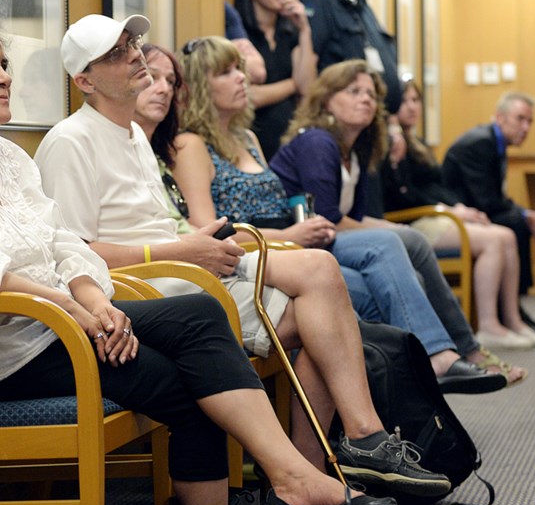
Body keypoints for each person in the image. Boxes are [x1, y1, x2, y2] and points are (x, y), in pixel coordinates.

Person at [0, 14, 401, 505]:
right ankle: (270, 498)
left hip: (47, 328)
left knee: (198, 317)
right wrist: (77, 312)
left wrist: (94, 301)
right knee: (188, 377)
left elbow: (64, 244)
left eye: (3, 63)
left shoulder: (4, 154)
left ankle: (272, 495)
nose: (4, 76)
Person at [34, 13, 452, 502]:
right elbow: (75, 254)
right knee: (323, 299)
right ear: (84, 80)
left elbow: (162, 224)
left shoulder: (134, 137)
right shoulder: (69, 141)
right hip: (154, 287)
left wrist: (200, 237)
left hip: (182, 264)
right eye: (115, 53)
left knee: (322, 296)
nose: (135, 56)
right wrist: (182, 248)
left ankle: (317, 467)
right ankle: (354, 445)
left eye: (133, 44)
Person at [166, 35, 506, 394]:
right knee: (369, 276)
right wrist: (289, 237)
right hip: (261, 253)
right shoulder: (191, 145)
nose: (241, 77)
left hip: (298, 242)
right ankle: (423, 377)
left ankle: (418, 388)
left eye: (239, 68)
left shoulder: (248, 137)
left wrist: (299, 232)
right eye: (226, 72)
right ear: (201, 86)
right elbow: (212, 236)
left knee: (392, 254)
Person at [271, 59, 528, 386]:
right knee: (397, 240)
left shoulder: (357, 147)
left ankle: (451, 357)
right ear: (326, 99)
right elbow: (328, 220)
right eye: (354, 91)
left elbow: (358, 216)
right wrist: (393, 230)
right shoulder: (317, 141)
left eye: (371, 93)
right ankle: (447, 355)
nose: (366, 99)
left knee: (410, 249)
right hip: (300, 242)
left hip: (331, 238)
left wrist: (394, 230)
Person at [380, 80, 535, 353]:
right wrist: (449, 209)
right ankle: (489, 326)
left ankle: (513, 320)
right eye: (405, 100)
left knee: (505, 235)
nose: (411, 107)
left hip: (435, 215)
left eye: (416, 100)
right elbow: (400, 195)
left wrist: (460, 209)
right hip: (412, 220)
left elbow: (437, 187)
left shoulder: (417, 143)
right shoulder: (387, 145)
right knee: (493, 241)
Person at [442, 91, 535, 336]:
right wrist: (526, 215)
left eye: (530, 121)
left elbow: (493, 199)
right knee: (516, 224)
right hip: (456, 214)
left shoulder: (495, 142)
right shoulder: (479, 144)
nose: (526, 127)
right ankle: (511, 308)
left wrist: (526, 214)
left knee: (517, 221)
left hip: (476, 210)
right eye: (520, 119)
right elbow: (487, 201)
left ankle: (513, 307)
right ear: (500, 117)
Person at [299, 0, 402, 114]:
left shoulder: (361, 4)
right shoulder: (316, 2)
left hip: (376, 124)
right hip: (338, 125)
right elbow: (307, 75)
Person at [233, 0, 317, 162]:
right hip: (251, 135)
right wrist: (292, 84)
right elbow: (250, 97)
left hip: (288, 136)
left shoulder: (290, 32)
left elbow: (307, 87)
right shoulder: (239, 35)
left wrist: (305, 29)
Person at [224, 1, 267, 85]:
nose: (246, 46)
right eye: (253, 51)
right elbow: (232, 18)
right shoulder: (241, 40)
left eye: (247, 54)